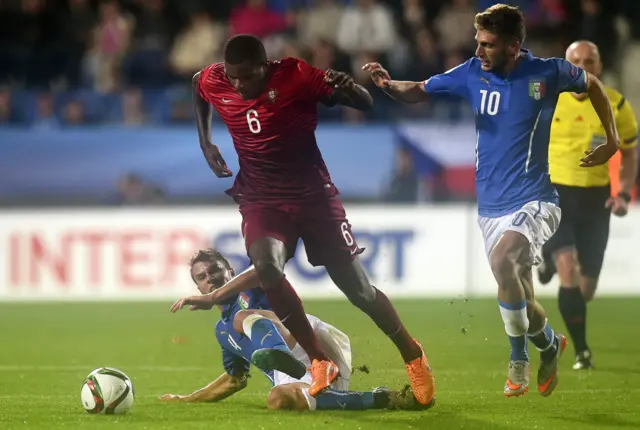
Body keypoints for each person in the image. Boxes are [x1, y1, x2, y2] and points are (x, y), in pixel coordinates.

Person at [362, 4, 620, 397]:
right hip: (491, 209)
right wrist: (386, 84)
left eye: (488, 45)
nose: (479, 52)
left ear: (514, 46)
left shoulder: (548, 72)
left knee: (503, 261)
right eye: (477, 43)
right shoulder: (470, 73)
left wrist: (612, 141)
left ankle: (518, 359)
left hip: (536, 199)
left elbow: (594, 85)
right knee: (520, 298)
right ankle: (549, 344)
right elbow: (419, 90)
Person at [191, 34, 434, 405]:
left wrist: (349, 88)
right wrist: (206, 142)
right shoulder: (216, 80)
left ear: (265, 66)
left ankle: (412, 354)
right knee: (267, 267)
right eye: (233, 77)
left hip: (314, 198)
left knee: (360, 292)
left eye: (247, 77)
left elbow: (366, 104)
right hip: (261, 198)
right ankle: (319, 360)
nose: (238, 85)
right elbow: (197, 85)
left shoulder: (295, 76)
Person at [161, 249, 425, 411]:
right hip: (303, 377)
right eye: (202, 278)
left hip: (310, 341)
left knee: (243, 317)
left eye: (215, 271)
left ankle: (288, 356)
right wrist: (188, 399)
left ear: (230, 271)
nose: (211, 280)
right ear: (197, 287)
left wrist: (215, 297)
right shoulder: (223, 332)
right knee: (277, 400)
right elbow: (234, 380)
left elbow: (265, 268)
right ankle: (382, 399)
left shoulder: (251, 286)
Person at [537, 41, 638, 370]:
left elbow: (630, 154)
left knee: (587, 288)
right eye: (576, 61)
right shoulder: (548, 99)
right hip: (555, 195)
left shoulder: (617, 104)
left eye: (589, 60)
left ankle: (548, 264)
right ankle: (581, 352)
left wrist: (623, 192)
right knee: (569, 270)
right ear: (566, 65)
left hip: (596, 199)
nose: (583, 66)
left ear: (600, 63)